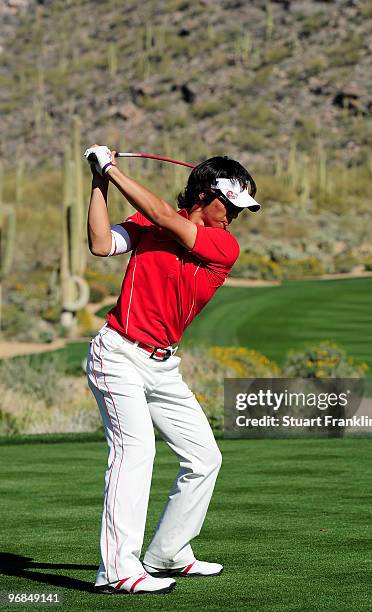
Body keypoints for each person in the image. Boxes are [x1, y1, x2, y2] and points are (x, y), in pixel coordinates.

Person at [84, 145, 260, 595]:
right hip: (118, 354)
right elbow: (102, 244)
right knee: (136, 452)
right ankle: (118, 569)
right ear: (206, 195)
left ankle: (167, 553)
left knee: (204, 458)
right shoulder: (150, 224)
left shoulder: (224, 245)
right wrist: (100, 180)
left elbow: (165, 216)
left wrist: (112, 168)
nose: (234, 217)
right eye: (230, 206)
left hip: (163, 365)